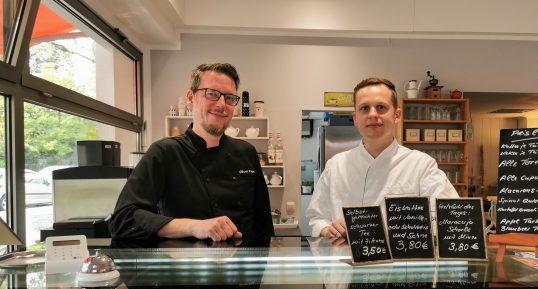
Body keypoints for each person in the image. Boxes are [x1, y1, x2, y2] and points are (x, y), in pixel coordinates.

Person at [110, 63, 274, 242]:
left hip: (243, 266)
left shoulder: (246, 152)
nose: (221, 104)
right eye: (212, 94)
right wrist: (195, 226)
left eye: (229, 98)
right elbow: (122, 220)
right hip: (187, 267)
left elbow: (264, 225)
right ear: (190, 98)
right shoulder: (165, 152)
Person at [307, 77, 458, 239]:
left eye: (381, 107)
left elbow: (449, 218)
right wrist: (327, 229)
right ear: (356, 118)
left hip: (400, 262)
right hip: (343, 261)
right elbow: (316, 218)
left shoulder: (421, 166)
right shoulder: (335, 165)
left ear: (397, 115)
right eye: (364, 108)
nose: (373, 114)